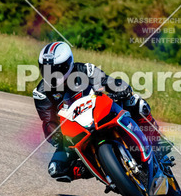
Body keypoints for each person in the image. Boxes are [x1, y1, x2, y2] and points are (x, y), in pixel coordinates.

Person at [32, 41, 170, 182]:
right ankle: (99, 167)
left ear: (68, 64)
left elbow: (107, 81)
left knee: (136, 102)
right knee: (56, 168)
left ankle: (157, 141)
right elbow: (48, 121)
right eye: (46, 70)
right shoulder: (41, 93)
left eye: (56, 70)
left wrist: (120, 88)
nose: (52, 74)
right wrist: (55, 135)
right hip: (74, 133)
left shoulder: (85, 70)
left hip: (101, 113)